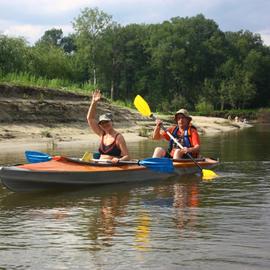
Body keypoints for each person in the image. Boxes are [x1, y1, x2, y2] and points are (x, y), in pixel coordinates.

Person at [87, 89, 130, 163]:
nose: (104, 124)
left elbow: (127, 156)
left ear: (111, 122)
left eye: (107, 121)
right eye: (102, 123)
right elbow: (90, 118)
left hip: (111, 167)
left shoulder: (119, 137)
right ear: (100, 125)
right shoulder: (101, 134)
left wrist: (119, 159)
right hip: (99, 164)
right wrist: (94, 102)